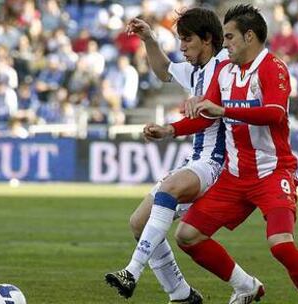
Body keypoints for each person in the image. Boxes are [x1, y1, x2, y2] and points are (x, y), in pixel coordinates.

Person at [145, 5, 298, 304]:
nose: (225, 43)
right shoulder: (225, 72)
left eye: (229, 37)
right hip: (234, 176)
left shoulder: (273, 67)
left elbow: (275, 113)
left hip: (272, 173)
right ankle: (245, 286)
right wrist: (170, 130)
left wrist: (225, 110)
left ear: (249, 36)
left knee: (281, 246)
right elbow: (206, 116)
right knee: (187, 235)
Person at [106, 8, 260, 304]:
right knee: (138, 223)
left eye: (187, 39)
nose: (182, 47)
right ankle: (182, 294)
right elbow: (164, 71)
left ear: (207, 39)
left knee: (171, 190)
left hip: (217, 162)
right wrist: (149, 39)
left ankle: (132, 271)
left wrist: (177, 124)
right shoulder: (197, 71)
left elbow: (215, 110)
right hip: (194, 160)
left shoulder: (225, 67)